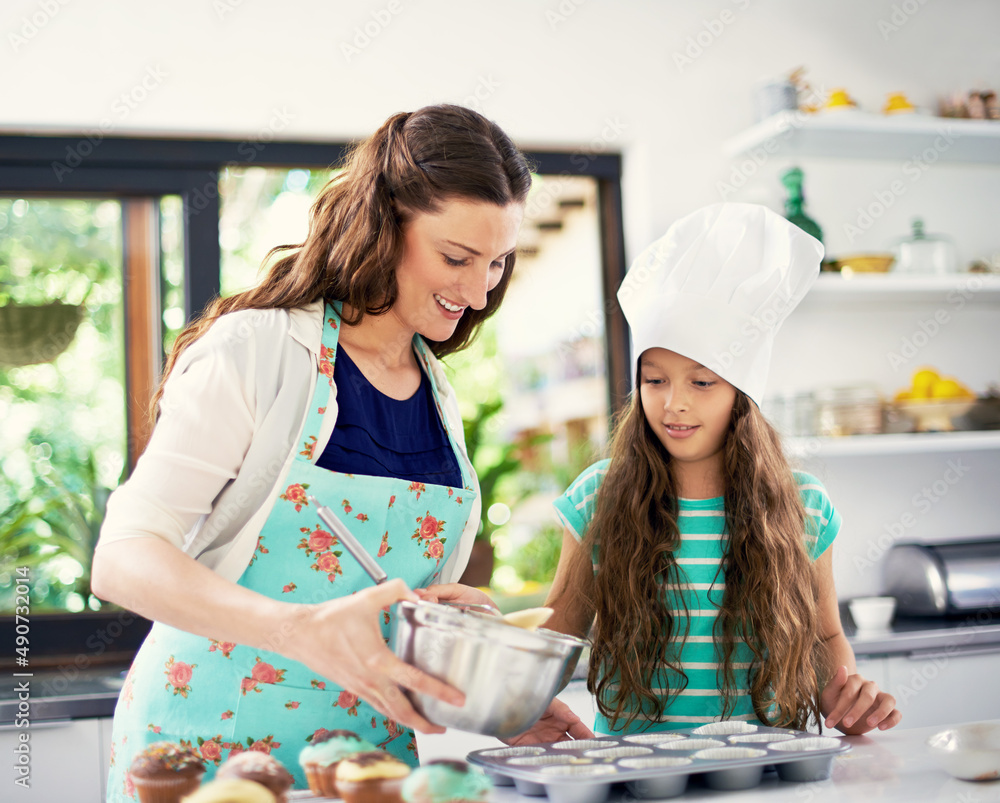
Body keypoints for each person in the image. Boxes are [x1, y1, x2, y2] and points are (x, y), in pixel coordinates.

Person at [91, 103, 532, 798]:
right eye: (456, 257)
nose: (479, 292)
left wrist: (499, 700)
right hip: (209, 748)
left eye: (499, 262)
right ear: (385, 226)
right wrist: (296, 628)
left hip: (368, 766)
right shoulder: (256, 350)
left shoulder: (438, 391)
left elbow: (385, 605)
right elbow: (122, 556)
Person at [532, 202, 902, 738]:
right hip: (635, 773)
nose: (673, 404)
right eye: (655, 380)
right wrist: (499, 674)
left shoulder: (803, 504)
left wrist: (850, 701)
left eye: (701, 383)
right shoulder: (599, 495)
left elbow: (823, 640)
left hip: (765, 768)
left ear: (741, 393)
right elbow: (560, 626)